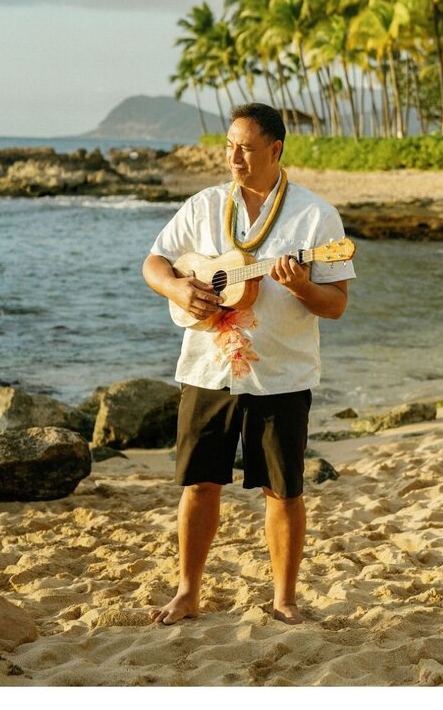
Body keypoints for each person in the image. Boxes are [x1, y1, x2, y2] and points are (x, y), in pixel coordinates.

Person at [141, 102, 354, 626]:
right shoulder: (205, 205)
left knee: (282, 489)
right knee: (199, 484)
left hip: (282, 374)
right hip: (207, 371)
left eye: (246, 147)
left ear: (276, 149)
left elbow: (337, 304)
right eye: (229, 145)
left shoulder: (315, 217)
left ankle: (284, 599)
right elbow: (154, 262)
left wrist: (303, 284)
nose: (234, 157)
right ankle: (187, 592)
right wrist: (175, 287)